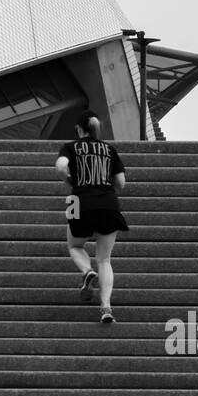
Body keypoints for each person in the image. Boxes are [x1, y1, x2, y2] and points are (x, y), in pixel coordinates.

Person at [55, 110, 128, 323]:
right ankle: (106, 308)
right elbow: (121, 183)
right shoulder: (110, 150)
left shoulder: (70, 147)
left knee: (74, 246)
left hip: (78, 201)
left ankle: (87, 271)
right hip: (108, 204)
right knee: (104, 259)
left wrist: (69, 181)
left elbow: (60, 166)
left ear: (79, 128)